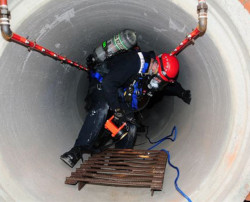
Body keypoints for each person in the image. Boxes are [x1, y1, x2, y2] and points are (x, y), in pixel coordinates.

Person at [60, 49, 191, 168]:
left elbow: (167, 86)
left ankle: (118, 160)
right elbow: (108, 84)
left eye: (160, 80)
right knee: (103, 107)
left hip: (118, 92)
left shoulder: (150, 72)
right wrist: (117, 109)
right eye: (158, 77)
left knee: (131, 125)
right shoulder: (134, 62)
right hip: (102, 84)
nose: (157, 81)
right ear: (156, 64)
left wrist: (182, 92)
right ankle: (77, 150)